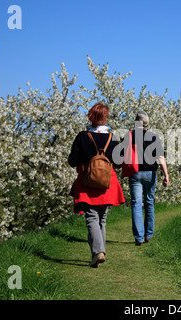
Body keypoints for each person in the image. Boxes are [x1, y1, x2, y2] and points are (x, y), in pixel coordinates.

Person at [68, 102, 125, 268]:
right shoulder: (112, 138)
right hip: (108, 183)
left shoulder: (82, 137)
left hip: (87, 182)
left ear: (91, 116)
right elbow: (119, 162)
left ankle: (98, 252)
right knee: (102, 218)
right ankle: (100, 252)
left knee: (91, 217)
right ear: (106, 117)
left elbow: (72, 161)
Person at [127, 111, 169, 246]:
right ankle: (148, 235)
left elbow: (122, 154)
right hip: (150, 172)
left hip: (135, 173)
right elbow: (161, 158)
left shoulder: (130, 136)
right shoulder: (153, 137)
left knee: (136, 204)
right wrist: (166, 175)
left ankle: (139, 237)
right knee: (149, 203)